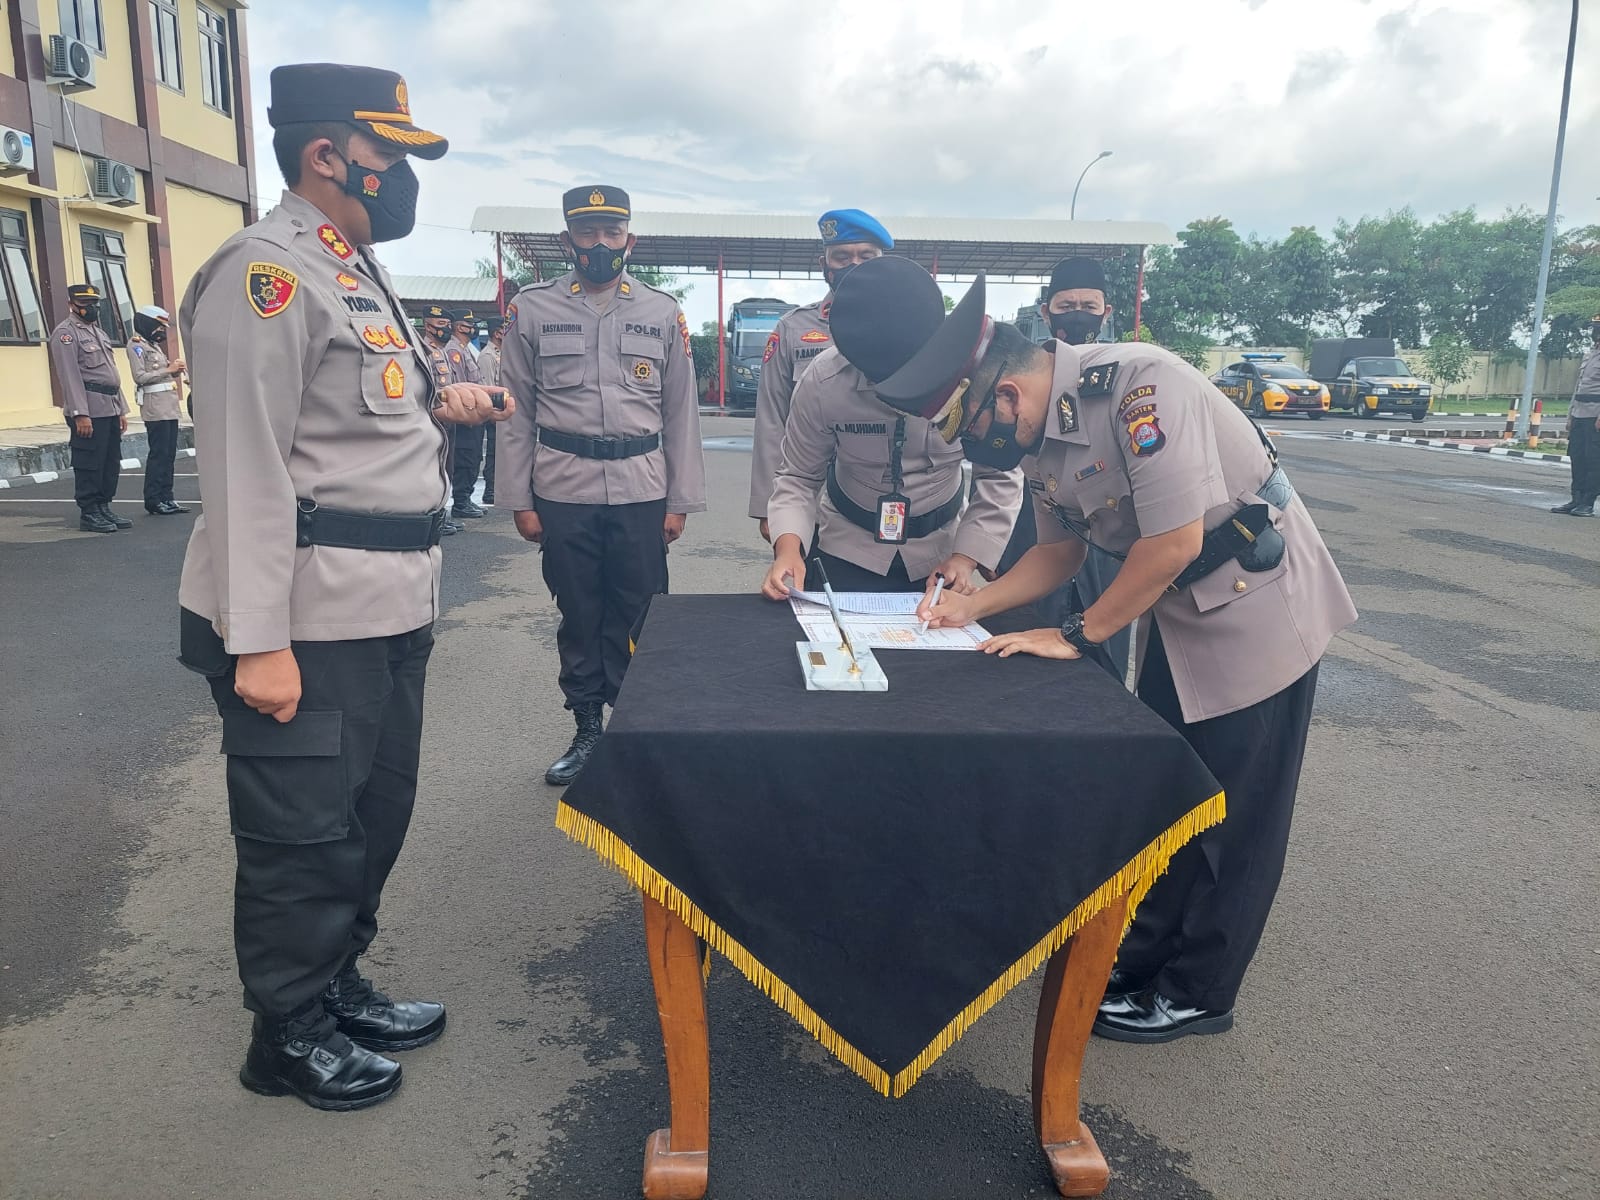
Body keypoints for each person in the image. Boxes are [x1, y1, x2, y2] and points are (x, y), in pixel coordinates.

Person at [843, 257, 1356, 1043]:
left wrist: (1077, 634)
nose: (974, 451)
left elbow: (1174, 542)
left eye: (966, 431)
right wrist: (970, 606)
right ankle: (1142, 959)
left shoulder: (1140, 388)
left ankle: (1197, 991)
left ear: (1003, 396)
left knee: (1237, 810)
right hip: (1182, 612)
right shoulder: (1044, 435)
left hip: (1259, 602)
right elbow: (1060, 555)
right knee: (1178, 796)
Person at [175, 62, 514, 1111]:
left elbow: (346, 425)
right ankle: (285, 1030)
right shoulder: (264, 273)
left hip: (386, 606)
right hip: (304, 621)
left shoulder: (350, 270)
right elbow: (245, 463)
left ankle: (332, 981)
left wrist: (440, 405)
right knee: (300, 833)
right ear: (329, 155)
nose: (403, 179)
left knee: (373, 813)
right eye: (392, 158)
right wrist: (256, 639)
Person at [498, 184, 706, 786]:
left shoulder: (662, 312)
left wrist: (681, 499)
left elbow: (680, 413)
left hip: (643, 489)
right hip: (562, 491)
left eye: (612, 233)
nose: (599, 244)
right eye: (587, 233)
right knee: (580, 613)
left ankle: (639, 728)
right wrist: (519, 500)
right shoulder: (532, 310)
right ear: (568, 241)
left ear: (629, 241)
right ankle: (589, 728)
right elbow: (516, 411)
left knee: (643, 613)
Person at [759, 255, 1022, 601]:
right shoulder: (823, 381)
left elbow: (999, 474)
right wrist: (789, 550)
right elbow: (798, 477)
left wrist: (967, 556)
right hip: (847, 548)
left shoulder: (972, 377)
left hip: (941, 553)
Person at [998, 256, 1123, 670]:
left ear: (1106, 313)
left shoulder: (1127, 371)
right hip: (1042, 516)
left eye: (1089, 307)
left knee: (1103, 640)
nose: (1078, 315)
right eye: (1066, 305)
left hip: (1108, 525)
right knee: (1025, 630)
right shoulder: (1029, 369)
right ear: (1045, 311)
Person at [748, 208, 892, 542]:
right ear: (824, 265)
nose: (854, 265)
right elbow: (771, 421)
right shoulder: (792, 329)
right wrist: (768, 506)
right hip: (805, 497)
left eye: (866, 256)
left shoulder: (908, 326)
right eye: (842, 257)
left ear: (884, 262)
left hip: (876, 495)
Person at [49, 283, 130, 533]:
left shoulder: (99, 332)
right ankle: (89, 511)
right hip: (89, 409)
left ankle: (103, 505)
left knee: (110, 460)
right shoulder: (66, 333)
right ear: (72, 305)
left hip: (109, 406)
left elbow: (111, 375)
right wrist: (80, 414)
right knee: (89, 461)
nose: (92, 308)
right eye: (86, 304)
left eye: (95, 303)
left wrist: (121, 409)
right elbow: (70, 376)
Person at [128, 305, 190, 516]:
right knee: (159, 454)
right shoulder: (137, 346)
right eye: (158, 326)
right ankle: (154, 499)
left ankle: (167, 496)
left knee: (169, 455)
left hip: (169, 407)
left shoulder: (153, 345)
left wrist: (174, 370)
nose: (161, 331)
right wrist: (169, 369)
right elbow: (140, 377)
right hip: (155, 408)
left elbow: (162, 375)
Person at [418, 305, 464, 535]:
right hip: (434, 417)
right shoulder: (424, 350)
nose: (446, 330)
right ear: (428, 325)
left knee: (447, 467)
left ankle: (442, 514)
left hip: (448, 419)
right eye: (441, 326)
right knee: (435, 468)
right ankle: (435, 516)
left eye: (447, 326)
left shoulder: (443, 351)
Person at [1552, 313, 1600, 517]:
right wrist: (1570, 415)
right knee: (1577, 456)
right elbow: (1578, 387)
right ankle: (1576, 498)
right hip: (1580, 413)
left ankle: (1588, 502)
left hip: (1596, 415)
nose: (1594, 331)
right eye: (1594, 327)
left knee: (1593, 459)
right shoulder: (1589, 354)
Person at [447, 308, 489, 519]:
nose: (473, 328)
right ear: (459, 327)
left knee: (472, 458)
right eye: (469, 325)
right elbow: (461, 385)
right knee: (464, 457)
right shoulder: (454, 350)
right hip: (465, 414)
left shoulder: (466, 349)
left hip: (474, 413)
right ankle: (461, 502)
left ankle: (466, 499)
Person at [476, 315, 504, 505]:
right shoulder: (487, 356)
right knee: (493, 453)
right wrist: (492, 413)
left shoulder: (500, 353)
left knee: (502, 452)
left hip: (504, 411)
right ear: (497, 332)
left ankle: (499, 488)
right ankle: (490, 489)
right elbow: (486, 387)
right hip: (494, 412)